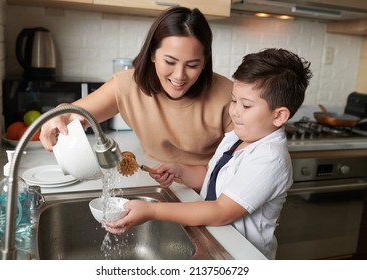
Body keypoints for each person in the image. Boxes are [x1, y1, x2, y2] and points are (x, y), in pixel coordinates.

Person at [105, 48, 313, 260]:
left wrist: (152, 211)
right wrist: (181, 170)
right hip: (216, 239)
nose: (234, 111)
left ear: (279, 116)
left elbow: (221, 210)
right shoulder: (237, 136)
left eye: (246, 105)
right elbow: (213, 177)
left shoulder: (270, 158)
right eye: (234, 100)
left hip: (240, 255)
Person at [39, 7, 233, 166]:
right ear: (152, 54)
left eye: (192, 65)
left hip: (209, 194)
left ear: (205, 61)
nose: (179, 76)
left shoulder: (228, 96)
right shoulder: (127, 85)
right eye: (170, 62)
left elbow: (242, 164)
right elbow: (76, 114)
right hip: (156, 183)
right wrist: (60, 113)